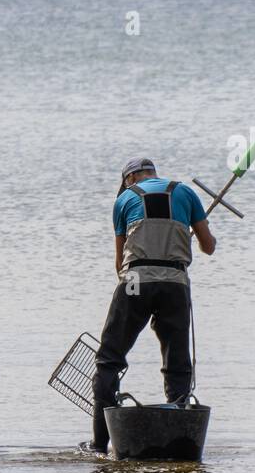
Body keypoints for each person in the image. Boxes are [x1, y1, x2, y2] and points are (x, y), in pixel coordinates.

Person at [87, 158, 216, 454]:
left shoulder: (124, 199)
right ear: (153, 173)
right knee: (177, 360)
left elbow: (120, 263)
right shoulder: (186, 193)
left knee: (109, 359)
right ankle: (180, 439)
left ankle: (99, 444)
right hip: (175, 282)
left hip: (134, 280)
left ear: (130, 178)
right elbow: (208, 247)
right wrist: (197, 230)